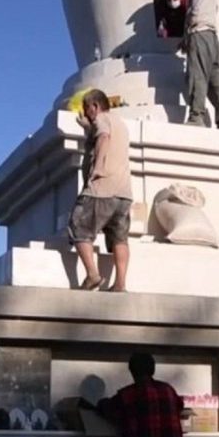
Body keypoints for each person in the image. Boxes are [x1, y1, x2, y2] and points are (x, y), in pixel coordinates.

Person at [69, 89, 133, 292]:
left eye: (87, 108)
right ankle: (120, 283)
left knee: (78, 226)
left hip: (102, 188)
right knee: (119, 238)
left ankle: (92, 274)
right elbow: (102, 136)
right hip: (123, 192)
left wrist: (97, 168)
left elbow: (104, 137)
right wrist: (88, 129)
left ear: (95, 106)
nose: (87, 114)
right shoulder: (120, 123)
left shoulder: (102, 119)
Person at [98, 353, 185, 437]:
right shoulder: (168, 390)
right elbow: (180, 406)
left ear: (132, 371)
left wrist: (99, 402)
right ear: (153, 369)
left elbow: (107, 409)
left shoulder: (129, 395)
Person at [179, 0, 219, 130]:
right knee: (215, 80)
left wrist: (186, 34)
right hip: (213, 37)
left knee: (198, 75)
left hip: (199, 34)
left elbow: (194, 14)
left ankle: (197, 116)